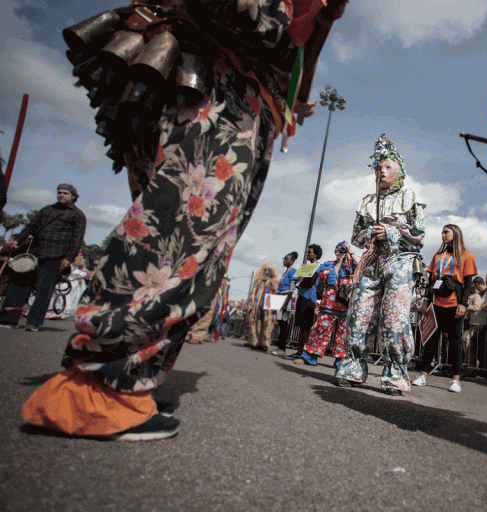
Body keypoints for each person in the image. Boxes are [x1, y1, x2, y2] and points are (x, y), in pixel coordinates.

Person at [21, 0, 348, 441]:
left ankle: (125, 379)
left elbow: (300, 44)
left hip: (220, 77)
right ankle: (101, 388)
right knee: (179, 231)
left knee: (183, 233)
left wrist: (294, 87)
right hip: (216, 74)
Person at [334, 134, 426, 394]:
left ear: (399, 171)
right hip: (372, 261)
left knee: (394, 317)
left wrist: (392, 233)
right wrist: (370, 235)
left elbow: (418, 237)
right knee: (359, 313)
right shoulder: (367, 201)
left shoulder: (410, 197)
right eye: (378, 167)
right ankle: (353, 366)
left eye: (387, 167)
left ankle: (396, 374)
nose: (381, 171)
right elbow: (356, 236)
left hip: (400, 262)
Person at [0, 184, 86, 331]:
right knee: (19, 284)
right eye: (59, 192)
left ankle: (33, 323)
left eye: (65, 193)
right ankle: (9, 319)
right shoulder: (47, 210)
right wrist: (18, 240)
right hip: (35, 251)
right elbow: (30, 227)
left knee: (44, 290)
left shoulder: (78, 215)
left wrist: (69, 258)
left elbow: (77, 239)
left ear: (73, 196)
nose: (61, 195)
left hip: (56, 254)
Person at [413, 224, 477, 393]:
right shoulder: (438, 256)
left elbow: (469, 283)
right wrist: (426, 300)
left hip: (454, 303)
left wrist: (463, 304)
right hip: (436, 301)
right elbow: (430, 279)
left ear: (456, 234)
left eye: (446, 232)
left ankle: (456, 379)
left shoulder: (466, 256)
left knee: (455, 341)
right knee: (431, 340)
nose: (443, 235)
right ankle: (423, 375)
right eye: (442, 232)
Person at [295, 241, 359, 366]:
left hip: (347, 305)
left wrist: (350, 252)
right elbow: (329, 280)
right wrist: (339, 263)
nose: (339, 251)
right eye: (337, 249)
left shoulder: (353, 264)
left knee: (343, 334)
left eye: (342, 249)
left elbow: (364, 266)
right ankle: (310, 357)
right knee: (320, 330)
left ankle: (341, 361)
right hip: (329, 304)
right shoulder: (327, 264)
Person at [287, 243, 322, 358]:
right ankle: (300, 351)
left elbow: (309, 283)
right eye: (307, 252)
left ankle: (303, 352)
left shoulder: (317, 267)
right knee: (302, 326)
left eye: (310, 252)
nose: (307, 254)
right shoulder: (305, 266)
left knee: (306, 327)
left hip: (309, 298)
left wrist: (301, 280)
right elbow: (298, 281)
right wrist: (300, 280)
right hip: (302, 296)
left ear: (315, 254)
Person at [245, 262, 278, 351]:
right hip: (258, 306)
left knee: (267, 325)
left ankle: (265, 344)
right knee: (257, 324)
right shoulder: (259, 282)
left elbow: (275, 291)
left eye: (269, 270)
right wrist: (251, 305)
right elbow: (254, 294)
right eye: (266, 270)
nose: (267, 272)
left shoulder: (272, 282)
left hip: (268, 307)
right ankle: (257, 342)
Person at [273, 251, 299, 356]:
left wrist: (285, 304)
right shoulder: (285, 273)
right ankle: (280, 347)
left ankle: (282, 348)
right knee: (280, 323)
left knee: (284, 324)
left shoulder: (293, 271)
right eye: (284, 258)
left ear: (292, 261)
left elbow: (292, 289)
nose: (284, 260)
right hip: (281, 297)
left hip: (287, 298)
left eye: (286, 259)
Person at [463, 276, 487, 373]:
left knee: (467, 340)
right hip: (471, 322)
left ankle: (469, 364)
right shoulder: (472, 295)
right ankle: (468, 363)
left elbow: (477, 307)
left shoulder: (476, 296)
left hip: (477, 322)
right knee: (466, 340)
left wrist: (466, 308)